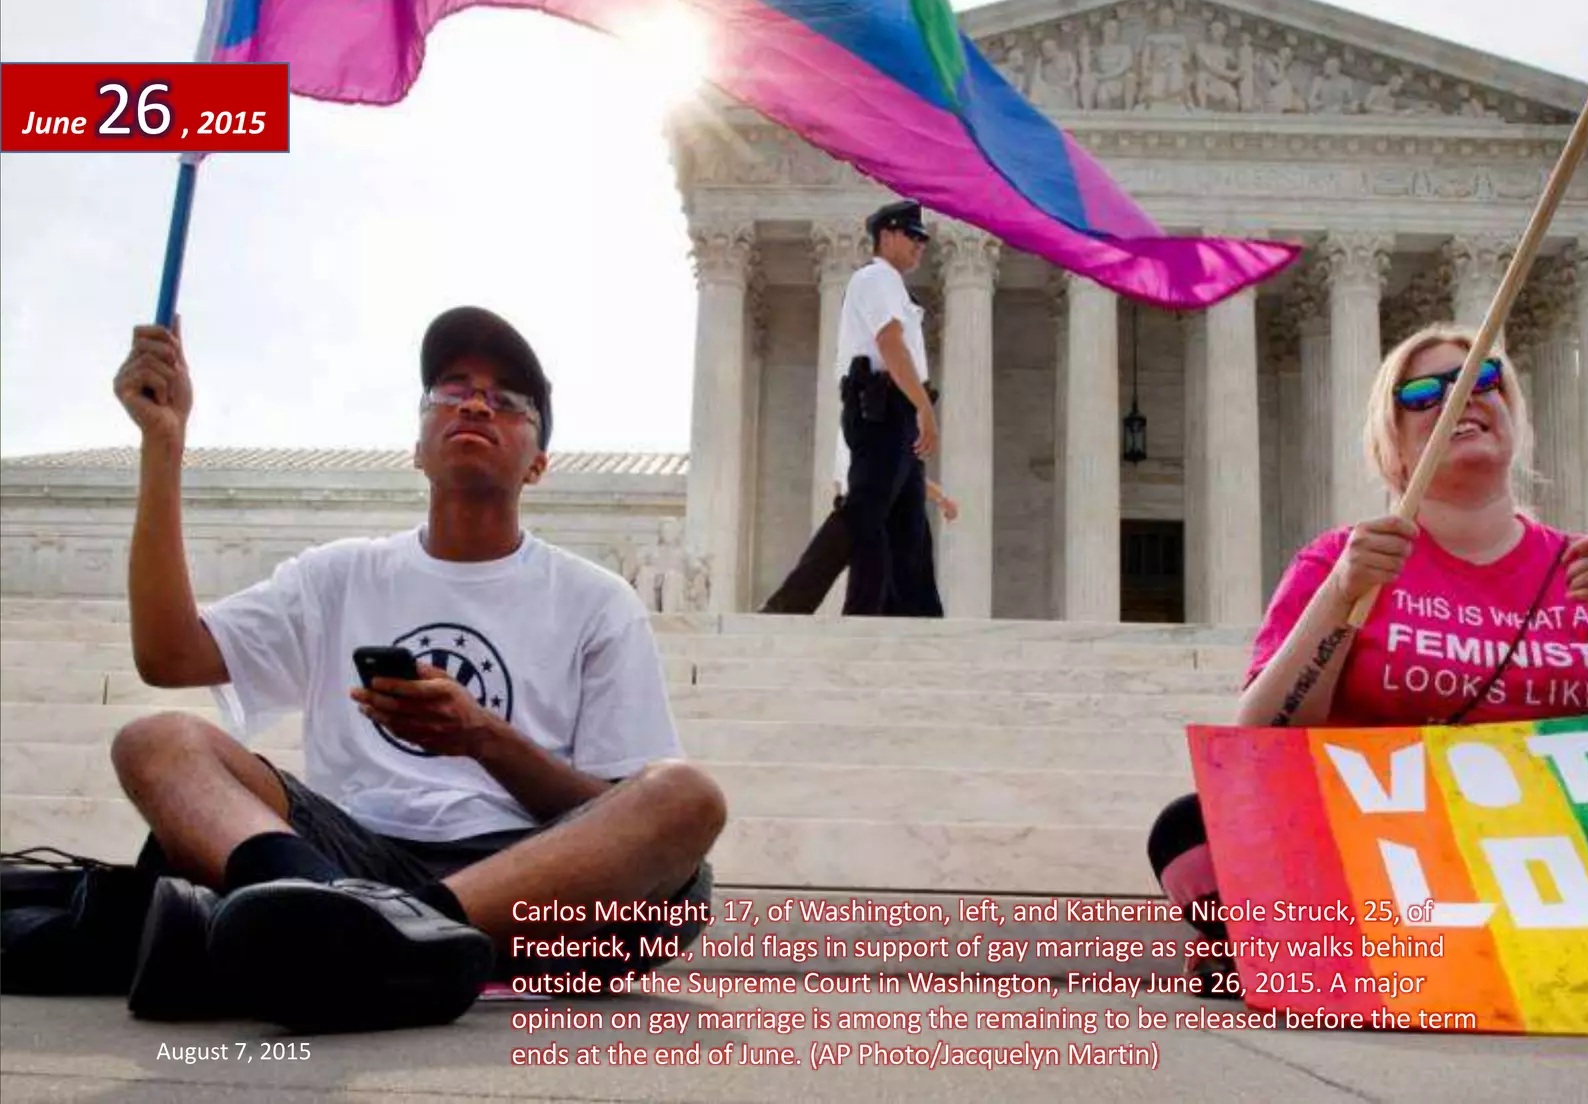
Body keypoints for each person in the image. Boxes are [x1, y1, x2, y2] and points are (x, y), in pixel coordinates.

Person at [108, 307, 727, 1033]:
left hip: (526, 870)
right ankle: (358, 931)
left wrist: (483, 738)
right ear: (417, 446)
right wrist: (163, 445)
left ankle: (376, 935)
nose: (473, 403)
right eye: (451, 389)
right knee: (156, 741)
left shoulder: (597, 600)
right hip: (342, 859)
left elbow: (608, 811)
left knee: (686, 798)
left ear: (537, 463)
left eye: (507, 401)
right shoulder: (339, 575)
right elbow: (168, 655)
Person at [1146, 322, 1588, 995]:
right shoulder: (1336, 562)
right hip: (1390, 850)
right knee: (1192, 830)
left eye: (1482, 379)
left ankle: (1316, 947)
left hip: (1547, 849)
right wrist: (1341, 597)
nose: (1460, 397)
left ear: (1512, 415)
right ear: (1391, 446)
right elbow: (1260, 740)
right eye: (1424, 393)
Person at [838, 199, 941, 616]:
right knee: (868, 519)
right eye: (913, 236)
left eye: (923, 239)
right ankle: (802, 602)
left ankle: (920, 619)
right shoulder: (877, 277)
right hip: (884, 405)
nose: (921, 246)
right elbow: (890, 343)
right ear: (887, 235)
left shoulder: (892, 284)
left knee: (909, 535)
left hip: (896, 412)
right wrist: (924, 408)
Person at [759, 430, 958, 616]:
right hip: (870, 506)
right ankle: (783, 606)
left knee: (873, 593)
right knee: (871, 590)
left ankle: (784, 607)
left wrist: (939, 497)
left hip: (875, 506)